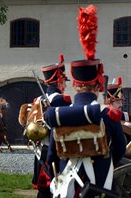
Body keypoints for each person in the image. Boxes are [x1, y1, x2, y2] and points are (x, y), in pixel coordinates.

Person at [46, 4, 126, 197]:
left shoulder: (59, 115)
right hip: (101, 185)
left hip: (68, 187)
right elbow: (121, 149)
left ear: (74, 84)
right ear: (98, 86)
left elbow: (51, 157)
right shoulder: (106, 114)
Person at [33, 54, 72, 198]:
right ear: (59, 82)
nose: (66, 85)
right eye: (64, 81)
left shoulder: (38, 99)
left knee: (43, 190)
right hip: (55, 150)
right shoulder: (61, 100)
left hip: (40, 150)